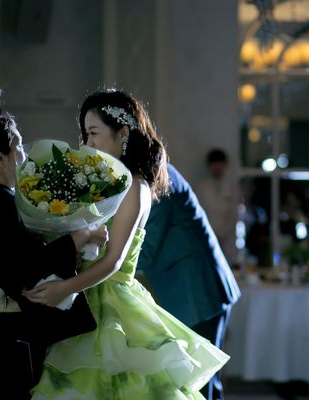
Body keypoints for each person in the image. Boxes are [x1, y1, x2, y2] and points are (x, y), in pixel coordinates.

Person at [24, 88, 230, 399]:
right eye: (85, 134)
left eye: (94, 133)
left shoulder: (135, 185)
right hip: (88, 296)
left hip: (113, 300)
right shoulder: (108, 184)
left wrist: (65, 288)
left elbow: (115, 260)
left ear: (122, 134)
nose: (88, 143)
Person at [0, 114, 103, 399]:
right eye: (17, 147)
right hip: (3, 339)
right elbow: (20, 270)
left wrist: (68, 251)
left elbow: (21, 257)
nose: (24, 155)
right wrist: (79, 238)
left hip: (0, 335)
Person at [138, 163, 242, 400]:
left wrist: (96, 260)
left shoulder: (158, 177)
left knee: (199, 383)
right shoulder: (154, 172)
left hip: (198, 292)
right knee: (203, 383)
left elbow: (146, 248)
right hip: (196, 289)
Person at [194, 148, 239, 265]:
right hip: (206, 238)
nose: (217, 168)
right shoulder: (201, 188)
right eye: (215, 164)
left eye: (220, 164)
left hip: (227, 241)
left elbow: (233, 215)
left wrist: (223, 232)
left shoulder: (232, 188)